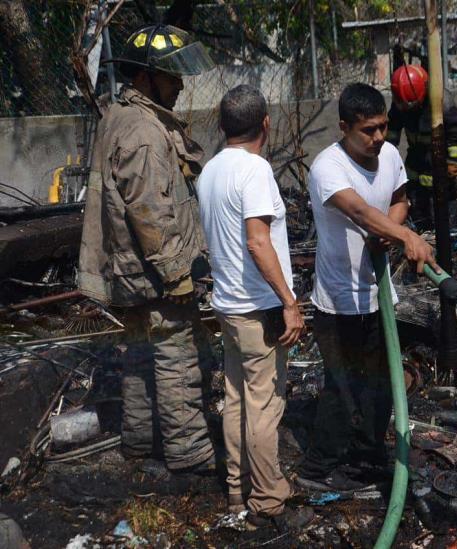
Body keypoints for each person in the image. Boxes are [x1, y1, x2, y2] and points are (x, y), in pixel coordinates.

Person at [78, 24, 216, 473]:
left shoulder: (119, 116)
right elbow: (151, 212)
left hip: (129, 272)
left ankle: (138, 442)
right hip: (154, 274)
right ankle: (187, 453)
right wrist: (177, 273)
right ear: (145, 78)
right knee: (177, 359)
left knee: (139, 359)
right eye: (171, 76)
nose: (180, 84)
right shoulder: (144, 132)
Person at [295, 83, 438, 491]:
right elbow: (358, 209)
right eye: (368, 130)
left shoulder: (389, 154)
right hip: (338, 301)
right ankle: (317, 470)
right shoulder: (328, 167)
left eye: (382, 127)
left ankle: (367, 459)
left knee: (382, 384)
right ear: (344, 127)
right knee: (342, 388)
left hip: (379, 298)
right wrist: (405, 237)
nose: (378, 138)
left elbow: (400, 198)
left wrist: (390, 229)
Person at [197, 84, 312, 532]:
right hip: (257, 307)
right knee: (264, 405)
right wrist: (289, 302)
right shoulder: (255, 170)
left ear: (223, 126)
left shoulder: (210, 172)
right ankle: (266, 499)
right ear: (266, 124)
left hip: (226, 305)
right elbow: (257, 240)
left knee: (236, 398)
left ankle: (235, 489)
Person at [386, 64, 457, 230]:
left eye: (413, 105)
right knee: (418, 222)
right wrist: (384, 160)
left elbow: (456, 136)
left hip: (440, 167)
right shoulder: (400, 101)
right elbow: (391, 134)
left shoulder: (440, 101)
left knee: (446, 224)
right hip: (415, 165)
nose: (409, 110)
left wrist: (452, 163)